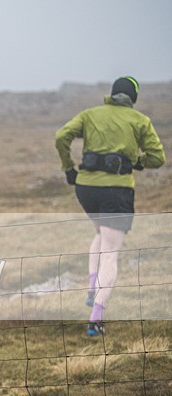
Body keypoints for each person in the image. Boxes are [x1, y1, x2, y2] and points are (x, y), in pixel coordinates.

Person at [55, 76, 165, 336]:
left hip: (86, 189)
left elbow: (61, 136)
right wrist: (138, 162)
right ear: (133, 98)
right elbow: (158, 157)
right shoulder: (139, 121)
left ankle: (92, 289)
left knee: (99, 235)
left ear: (112, 94)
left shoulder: (90, 114)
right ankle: (96, 319)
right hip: (116, 191)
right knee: (112, 252)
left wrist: (68, 169)